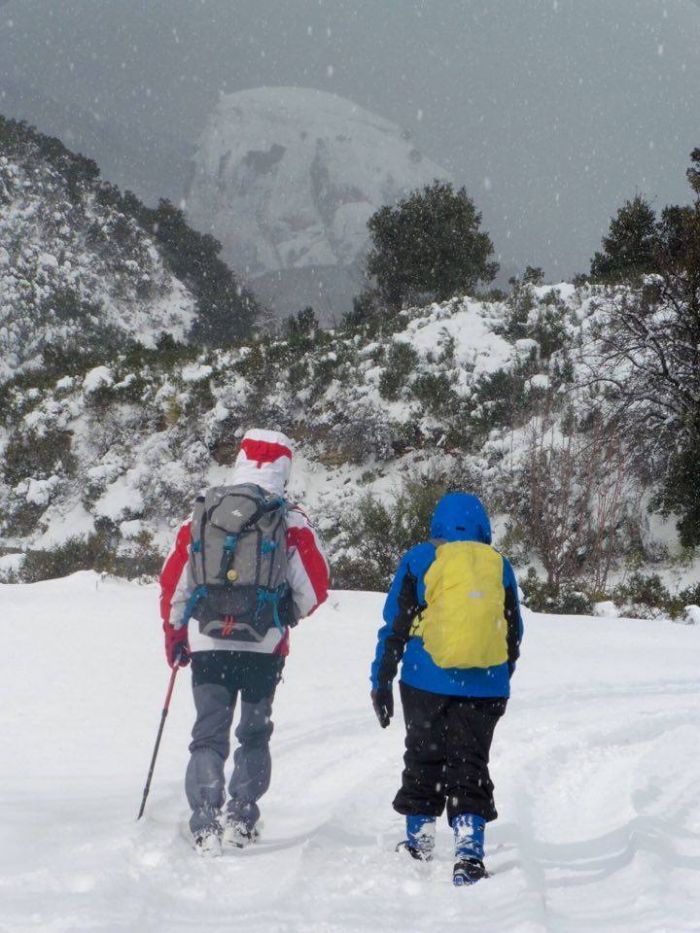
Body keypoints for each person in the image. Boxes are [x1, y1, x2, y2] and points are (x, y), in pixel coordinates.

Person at [160, 428, 329, 856]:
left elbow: (174, 584)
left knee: (207, 736)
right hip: (263, 647)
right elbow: (315, 588)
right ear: (285, 468)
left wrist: (175, 634)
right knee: (253, 735)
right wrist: (279, 616)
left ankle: (204, 822)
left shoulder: (202, 515)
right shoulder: (288, 520)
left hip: (209, 643)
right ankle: (241, 817)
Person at [370, 492, 523, 886]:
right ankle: (469, 854)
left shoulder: (420, 559)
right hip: (486, 683)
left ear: (437, 523)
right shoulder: (498, 565)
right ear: (483, 526)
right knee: (470, 762)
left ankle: (419, 843)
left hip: (425, 678)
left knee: (424, 754)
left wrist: (381, 679)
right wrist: (499, 678)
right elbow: (513, 632)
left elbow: (395, 626)